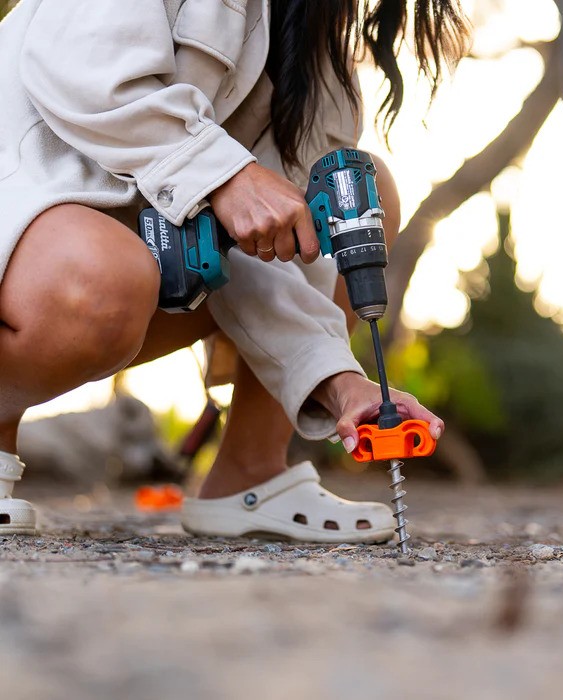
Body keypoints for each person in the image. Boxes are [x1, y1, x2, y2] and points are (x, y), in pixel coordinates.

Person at [0, 0, 468, 541]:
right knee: (101, 274)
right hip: (24, 211)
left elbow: (269, 252)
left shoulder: (314, 45)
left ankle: (252, 477)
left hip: (119, 254)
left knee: (354, 196)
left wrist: (338, 380)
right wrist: (224, 176)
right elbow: (77, 66)